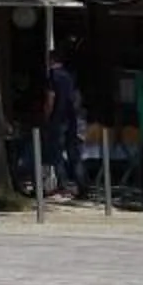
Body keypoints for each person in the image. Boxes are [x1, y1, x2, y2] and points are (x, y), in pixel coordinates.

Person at [40, 50, 83, 199]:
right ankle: (82, 185)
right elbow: (76, 97)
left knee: (56, 153)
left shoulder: (52, 76)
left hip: (57, 119)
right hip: (71, 119)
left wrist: (46, 117)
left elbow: (50, 99)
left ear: (51, 60)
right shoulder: (69, 76)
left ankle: (63, 185)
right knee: (73, 153)